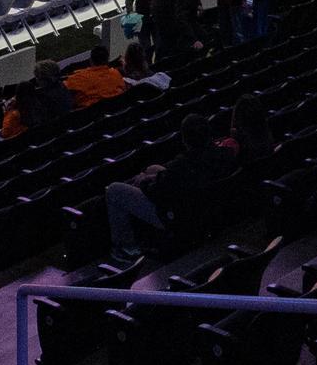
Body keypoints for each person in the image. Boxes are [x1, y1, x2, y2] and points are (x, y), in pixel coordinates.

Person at [104, 114, 237, 263]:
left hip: (177, 217)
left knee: (114, 190)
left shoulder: (181, 166)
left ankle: (126, 248)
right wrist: (154, 175)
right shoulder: (225, 154)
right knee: (153, 168)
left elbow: (156, 193)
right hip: (206, 208)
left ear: (185, 140)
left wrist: (143, 182)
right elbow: (175, 178)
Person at [63, 44, 129, 109]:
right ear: (107, 59)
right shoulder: (116, 74)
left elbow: (62, 87)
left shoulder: (78, 78)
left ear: (91, 60)